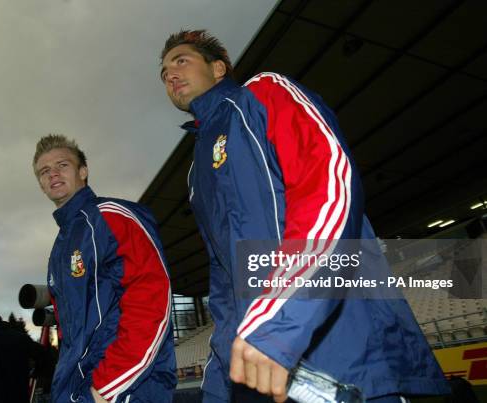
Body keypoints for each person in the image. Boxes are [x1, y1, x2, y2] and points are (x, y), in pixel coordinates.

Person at [159, 30, 450, 402]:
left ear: (218, 68)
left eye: (181, 60)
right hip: (263, 356)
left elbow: (329, 186)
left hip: (338, 350)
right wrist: (221, 381)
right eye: (164, 72)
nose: (170, 74)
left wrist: (278, 322)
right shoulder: (197, 171)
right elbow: (224, 277)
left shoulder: (262, 93)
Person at [33, 134, 176, 402]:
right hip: (75, 389)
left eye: (62, 165)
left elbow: (152, 297)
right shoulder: (59, 249)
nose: (53, 173)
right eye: (44, 171)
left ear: (83, 172)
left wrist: (108, 386)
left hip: (122, 388)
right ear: (41, 184)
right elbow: (69, 334)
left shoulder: (112, 216)